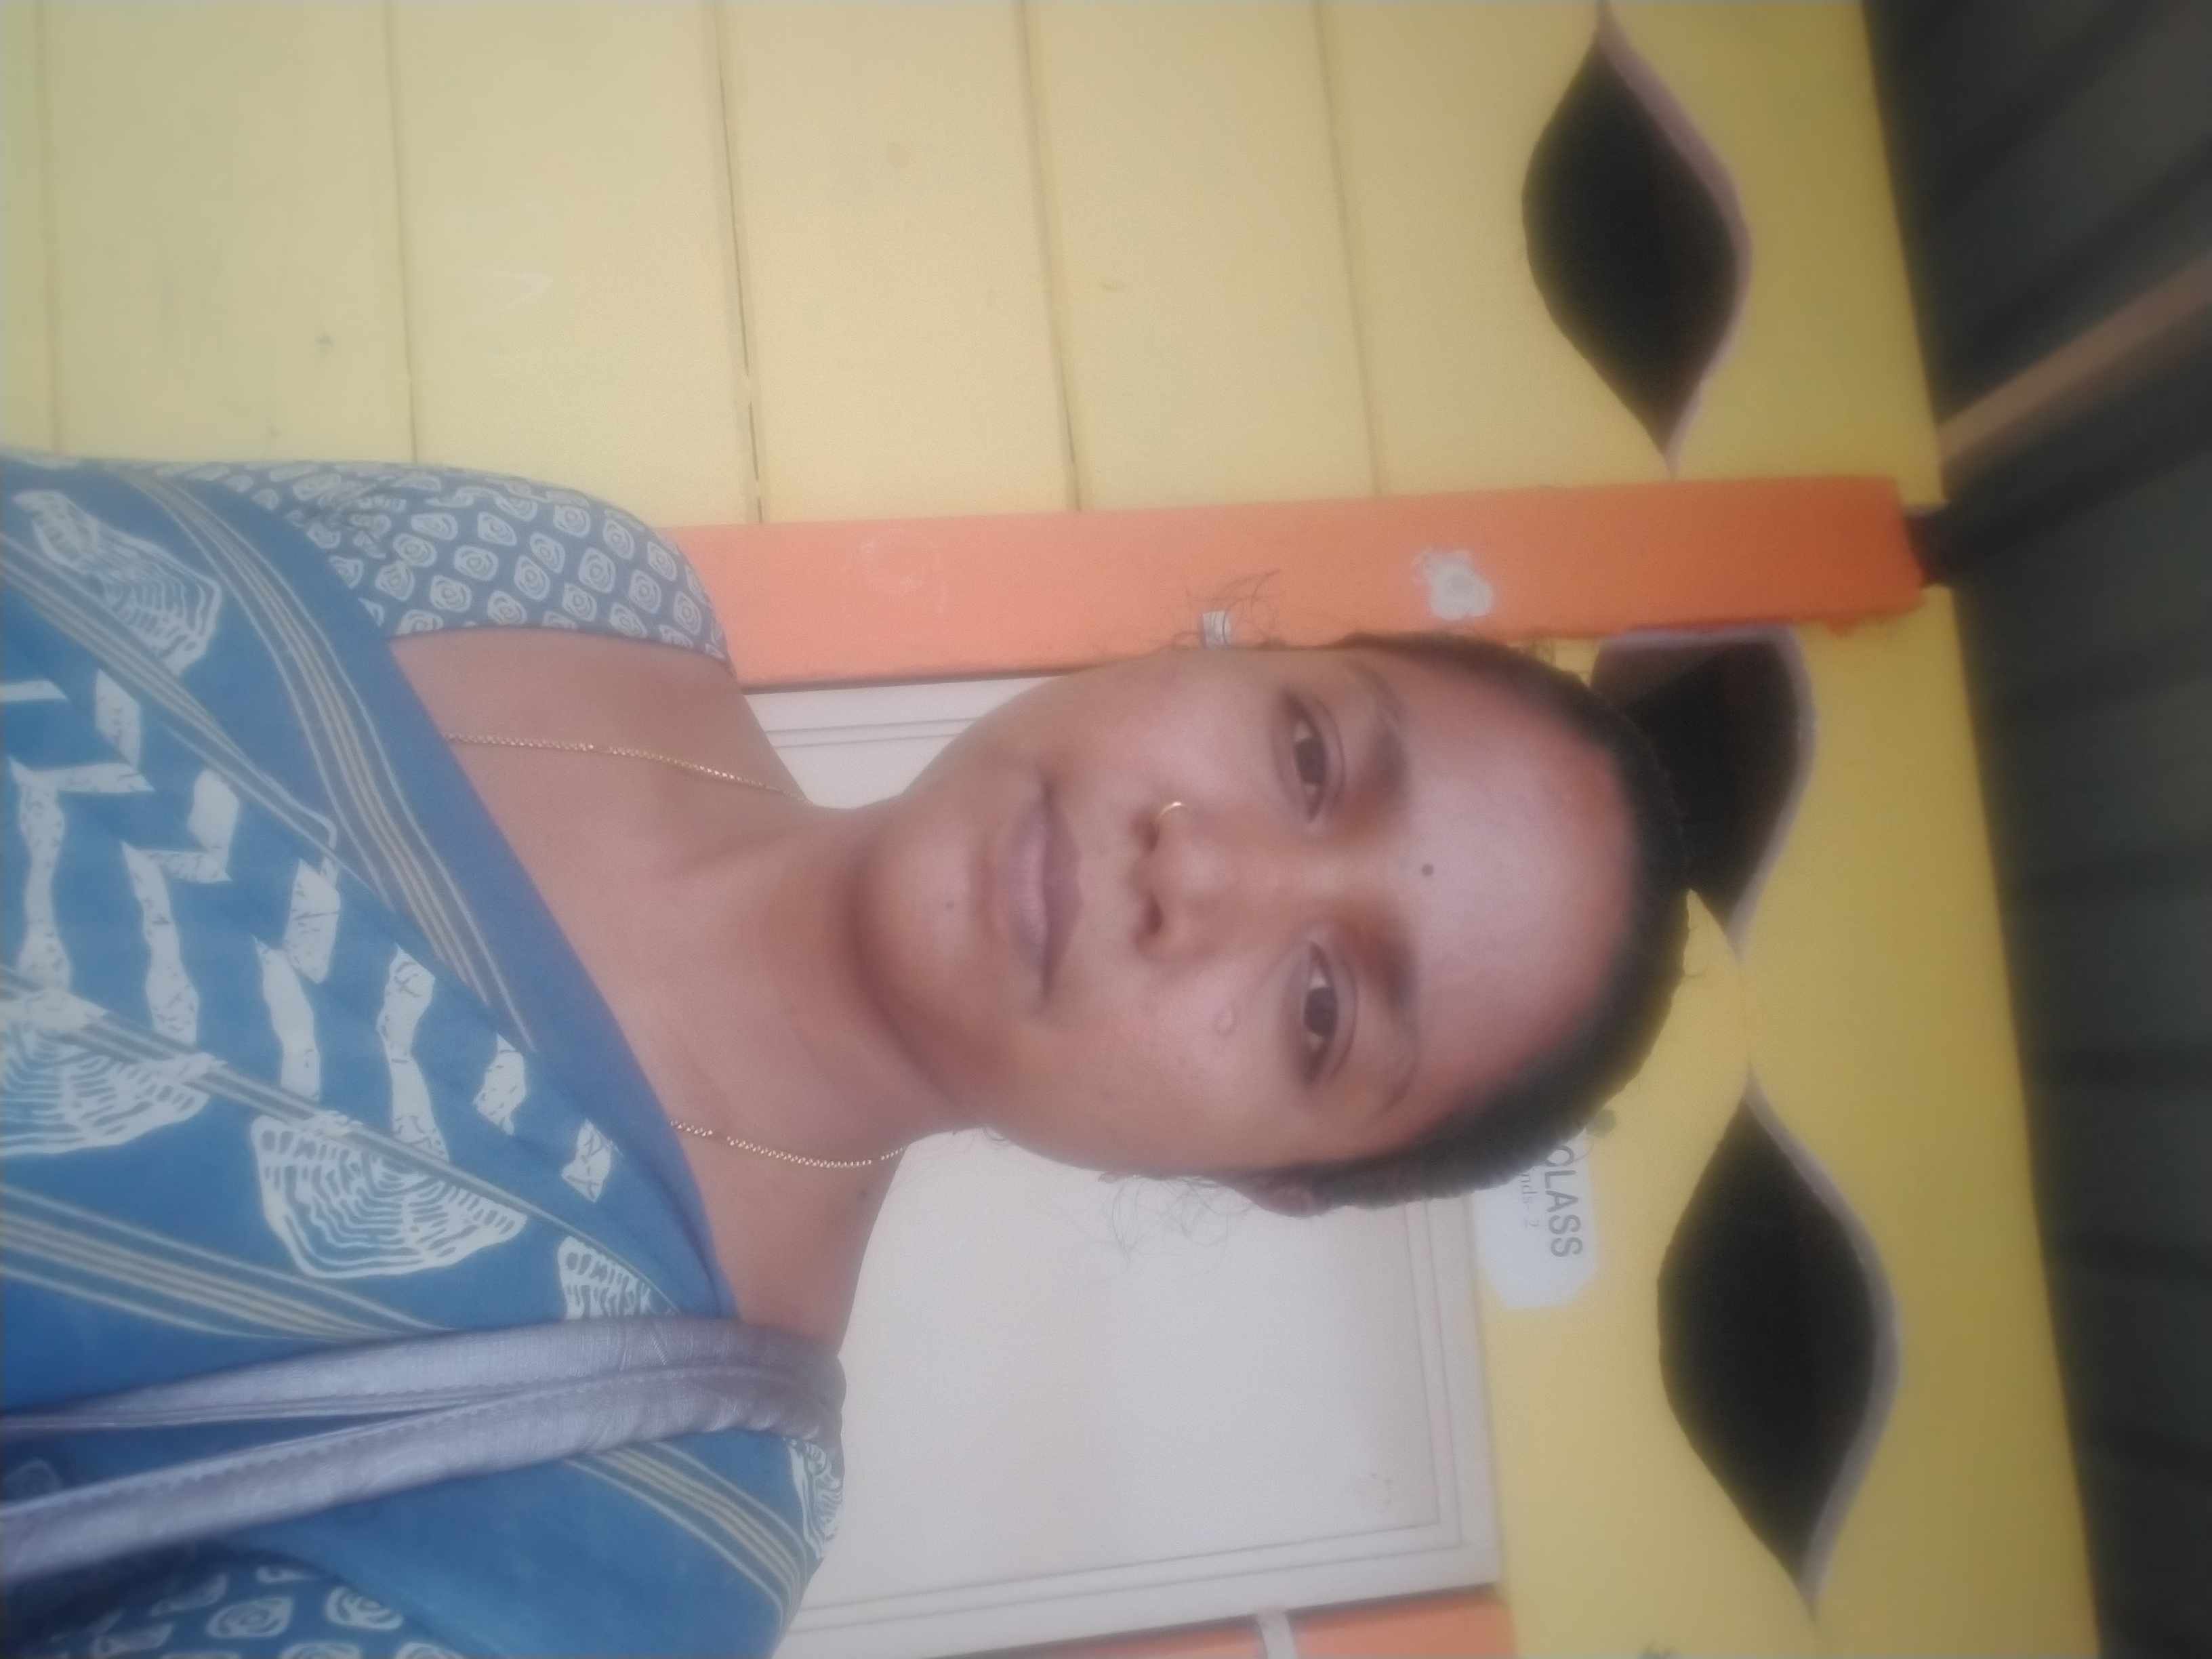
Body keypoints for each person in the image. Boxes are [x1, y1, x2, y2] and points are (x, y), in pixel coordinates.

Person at [1, 453, 1684, 1658]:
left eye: (1325, 1009)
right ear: (1219, 650)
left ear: (1265, 1178)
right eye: (1308, 754)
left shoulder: (639, 1536)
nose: (1201, 873)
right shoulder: (566, 574)